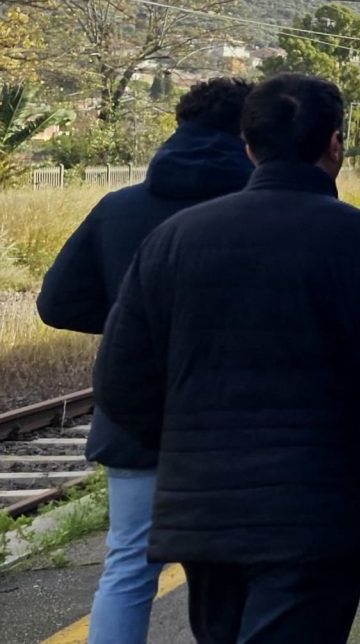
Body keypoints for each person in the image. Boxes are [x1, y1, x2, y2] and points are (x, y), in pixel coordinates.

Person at [93, 73, 360, 643]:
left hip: (206, 511)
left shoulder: (175, 239)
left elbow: (120, 377)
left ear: (249, 145)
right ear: (335, 143)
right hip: (322, 507)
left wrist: (185, 449)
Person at [35, 77, 254, 644]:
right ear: (246, 133)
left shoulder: (118, 207)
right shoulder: (266, 208)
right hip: (237, 424)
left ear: (178, 126)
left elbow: (56, 302)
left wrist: (125, 320)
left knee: (130, 564)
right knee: (234, 572)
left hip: (135, 418)